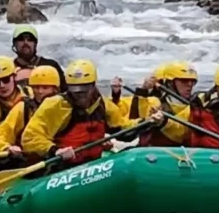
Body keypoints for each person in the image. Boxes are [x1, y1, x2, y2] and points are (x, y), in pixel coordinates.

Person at [21, 59, 164, 171]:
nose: (79, 96)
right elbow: (31, 137)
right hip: (62, 168)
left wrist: (148, 121)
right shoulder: (55, 105)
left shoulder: (103, 105)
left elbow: (123, 131)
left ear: (93, 85)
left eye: (84, 90)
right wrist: (55, 150)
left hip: (94, 166)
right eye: (75, 90)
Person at [0, 65, 62, 175]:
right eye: (36, 87)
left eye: (45, 87)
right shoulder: (23, 109)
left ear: (55, 89)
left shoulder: (65, 107)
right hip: (29, 158)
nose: (40, 91)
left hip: (58, 154)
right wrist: (7, 148)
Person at [11, 25, 67, 91]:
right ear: (14, 44)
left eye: (30, 39)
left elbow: (65, 91)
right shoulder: (8, 69)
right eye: (21, 39)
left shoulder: (51, 66)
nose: (25, 43)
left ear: (35, 44)